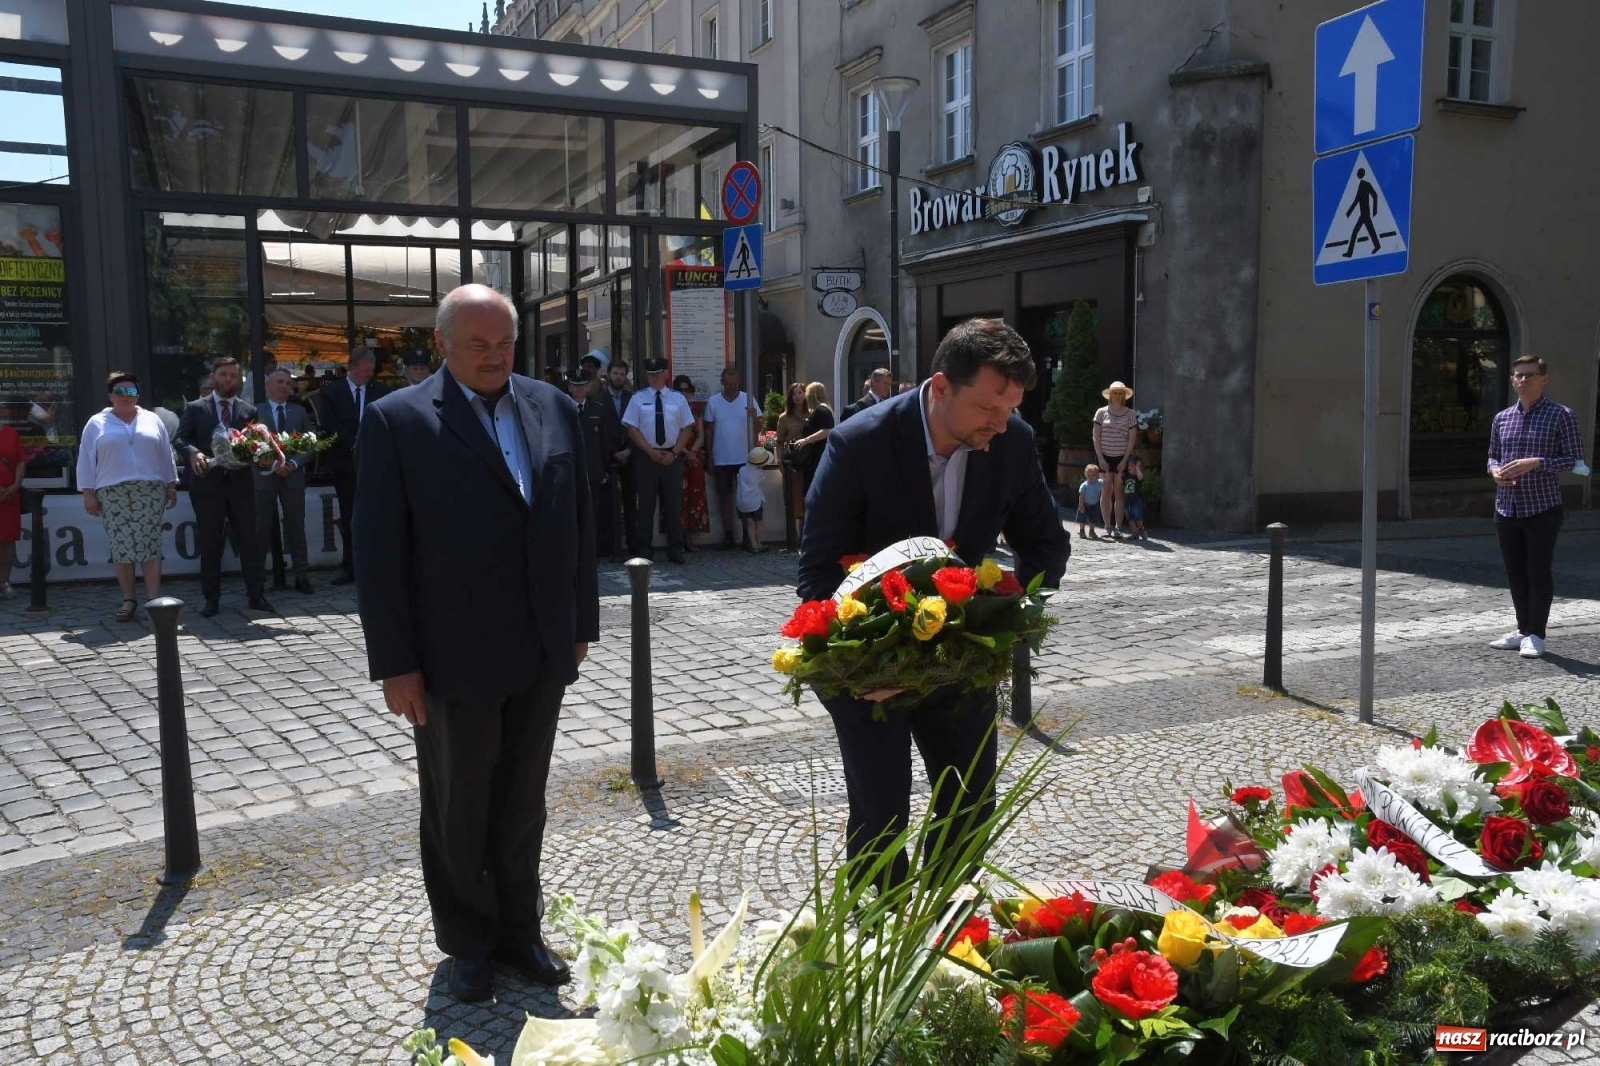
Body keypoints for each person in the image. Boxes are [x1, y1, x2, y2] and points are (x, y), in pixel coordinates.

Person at [354, 284, 599, 1004]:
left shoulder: (552, 406)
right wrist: (395, 662)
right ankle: (467, 942)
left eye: (504, 344)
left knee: (524, 800)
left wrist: (581, 621)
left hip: (542, 647)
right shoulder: (398, 421)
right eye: (477, 344)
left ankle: (521, 929)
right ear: (442, 345)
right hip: (450, 654)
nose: (494, 357)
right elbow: (378, 551)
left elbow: (578, 521)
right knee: (459, 803)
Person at [797, 317, 1070, 890]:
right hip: (870, 672)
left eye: (1011, 409)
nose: (1001, 424)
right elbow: (818, 572)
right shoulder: (860, 442)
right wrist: (868, 664)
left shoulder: (1012, 442)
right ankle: (878, 943)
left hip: (959, 663)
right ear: (941, 387)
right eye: (989, 410)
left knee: (969, 810)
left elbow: (1046, 544)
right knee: (881, 816)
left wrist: (1002, 617)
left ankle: (946, 937)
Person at [1486, 354, 1583, 660]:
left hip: (1542, 508)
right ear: (1513, 380)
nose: (1523, 380)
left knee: (1537, 572)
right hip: (1507, 508)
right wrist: (1495, 472)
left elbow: (1575, 463)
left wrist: (1536, 463)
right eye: (1519, 375)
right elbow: (1492, 456)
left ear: (1544, 379)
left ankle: (1537, 634)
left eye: (1530, 375)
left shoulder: (1561, 415)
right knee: (1515, 572)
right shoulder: (1502, 418)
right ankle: (1523, 629)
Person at [175, 356, 271, 618]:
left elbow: (258, 443)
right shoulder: (197, 408)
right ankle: (212, 599)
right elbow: (180, 439)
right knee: (210, 543)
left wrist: (262, 453)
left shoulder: (248, 410)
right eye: (224, 375)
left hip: (240, 485)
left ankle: (256, 595)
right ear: (213, 378)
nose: (229, 380)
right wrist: (193, 453)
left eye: (233, 376)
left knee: (250, 542)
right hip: (208, 486)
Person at [76, 373, 178, 617]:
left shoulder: (152, 419)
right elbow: (86, 459)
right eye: (119, 392)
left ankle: (154, 599)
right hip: (113, 491)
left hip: (150, 490)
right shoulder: (96, 422)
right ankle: (129, 599)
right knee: (121, 547)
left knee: (150, 545)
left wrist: (171, 485)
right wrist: (88, 493)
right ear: (111, 396)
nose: (125, 396)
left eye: (130, 391)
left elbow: (166, 453)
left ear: (138, 395)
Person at [321, 348, 390, 585]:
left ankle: (377, 565)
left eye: (371, 371)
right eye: (364, 371)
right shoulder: (332, 392)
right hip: (345, 464)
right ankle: (350, 566)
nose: (368, 375)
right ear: (351, 368)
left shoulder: (381, 391)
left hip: (374, 464)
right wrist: (354, 442)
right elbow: (330, 424)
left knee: (377, 515)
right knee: (349, 515)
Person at [622, 358, 695, 563]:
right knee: (645, 505)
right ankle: (644, 548)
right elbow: (632, 429)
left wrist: (674, 453)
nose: (654, 377)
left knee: (673, 504)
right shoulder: (638, 398)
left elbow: (687, 428)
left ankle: (675, 548)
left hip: (672, 456)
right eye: (651, 374)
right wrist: (650, 452)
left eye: (658, 373)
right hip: (647, 457)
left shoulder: (677, 399)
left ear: (665, 374)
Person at [256, 369, 314, 595]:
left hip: (293, 477)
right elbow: (249, 444)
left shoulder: (299, 411)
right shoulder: (256, 411)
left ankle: (302, 576)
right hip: (265, 478)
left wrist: (294, 463)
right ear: (268, 385)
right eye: (279, 382)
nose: (283, 386)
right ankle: (258, 578)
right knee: (260, 529)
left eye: (288, 383)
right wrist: (271, 465)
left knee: (296, 527)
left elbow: (311, 443)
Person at [703, 366, 762, 549]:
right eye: (727, 384)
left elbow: (758, 428)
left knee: (745, 499)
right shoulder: (713, 402)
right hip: (721, 458)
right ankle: (728, 535)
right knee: (725, 498)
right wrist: (710, 457)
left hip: (744, 458)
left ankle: (748, 536)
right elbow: (709, 431)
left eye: (734, 384)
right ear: (722, 383)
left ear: (739, 382)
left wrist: (754, 418)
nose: (730, 387)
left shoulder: (747, 398)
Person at [568, 366, 622, 556]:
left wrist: (607, 468)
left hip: (594, 470)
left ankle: (593, 551)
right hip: (570, 471)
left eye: (583, 385)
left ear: (589, 386)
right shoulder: (562, 408)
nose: (580, 389)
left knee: (593, 513)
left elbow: (605, 441)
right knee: (571, 512)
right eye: (575, 385)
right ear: (569, 387)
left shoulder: (598, 409)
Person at [1092, 381, 1139, 539]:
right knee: (1105, 492)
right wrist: (1100, 458)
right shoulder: (1101, 412)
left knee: (1119, 492)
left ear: (1124, 396)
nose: (1117, 395)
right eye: (1115, 393)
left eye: (1120, 393)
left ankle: (1118, 527)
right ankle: (1107, 526)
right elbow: (1096, 436)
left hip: (1121, 457)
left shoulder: (1130, 414)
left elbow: (1132, 438)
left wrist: (1125, 460)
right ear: (1110, 395)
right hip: (1104, 457)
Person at [673, 375, 710, 550]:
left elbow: (701, 434)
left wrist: (693, 451)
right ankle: (677, 539)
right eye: (680, 390)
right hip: (677, 455)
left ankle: (690, 539)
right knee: (678, 498)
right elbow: (672, 436)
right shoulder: (671, 409)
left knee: (694, 498)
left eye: (687, 390)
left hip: (694, 458)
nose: (684, 393)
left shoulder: (695, 410)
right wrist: (685, 452)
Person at [602, 360, 636, 551]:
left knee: (631, 504)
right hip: (609, 459)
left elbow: (639, 427)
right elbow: (600, 433)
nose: (619, 377)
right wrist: (613, 453)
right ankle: (611, 546)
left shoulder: (633, 399)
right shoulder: (599, 400)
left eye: (622, 374)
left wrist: (629, 450)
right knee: (610, 506)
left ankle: (633, 544)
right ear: (608, 374)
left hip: (631, 457)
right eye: (615, 373)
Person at [776, 382, 810, 528]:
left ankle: (806, 534)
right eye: (794, 393)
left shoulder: (812, 413)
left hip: (810, 461)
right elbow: (779, 442)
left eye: (800, 393)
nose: (797, 396)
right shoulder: (784, 418)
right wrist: (780, 461)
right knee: (793, 500)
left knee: (808, 498)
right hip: (793, 463)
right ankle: (795, 537)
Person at [792, 382, 835, 494]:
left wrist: (806, 440)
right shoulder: (821, 410)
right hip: (815, 456)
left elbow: (826, 430)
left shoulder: (821, 410)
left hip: (818, 457)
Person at [0, 420, 25, 598]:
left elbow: (21, 461)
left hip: (9, 495)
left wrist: (16, 485)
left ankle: (4, 582)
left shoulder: (11, 433)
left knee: (7, 540)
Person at [737, 446, 769, 553]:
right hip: (755, 501)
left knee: (749, 524)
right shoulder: (760, 473)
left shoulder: (741, 470)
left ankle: (753, 545)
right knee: (758, 523)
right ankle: (759, 543)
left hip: (743, 502)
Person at [1075, 463, 1104, 540]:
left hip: (1095, 504)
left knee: (1093, 518)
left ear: (1097, 475)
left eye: (1093, 475)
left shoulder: (1099, 482)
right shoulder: (1084, 485)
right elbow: (1081, 495)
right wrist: (1081, 505)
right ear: (1086, 475)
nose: (1091, 477)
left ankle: (1092, 531)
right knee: (1082, 518)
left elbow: (1106, 482)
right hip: (1085, 504)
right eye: (1089, 475)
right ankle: (1082, 530)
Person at [1123, 455, 1148, 540]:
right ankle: (1135, 533)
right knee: (1130, 518)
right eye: (1129, 465)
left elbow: (1141, 477)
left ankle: (1141, 530)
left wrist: (1137, 467)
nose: (1130, 467)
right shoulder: (1126, 476)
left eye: (1132, 465)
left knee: (1138, 517)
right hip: (1127, 501)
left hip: (1136, 501)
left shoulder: (1138, 477)